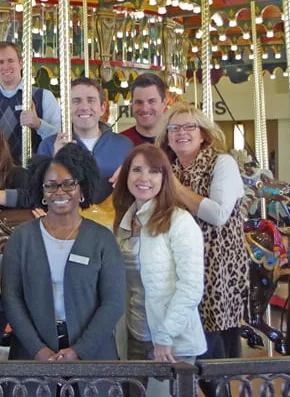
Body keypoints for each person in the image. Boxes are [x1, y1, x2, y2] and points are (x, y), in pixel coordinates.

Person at [1, 144, 125, 362]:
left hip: (93, 357)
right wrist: (37, 350)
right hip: (31, 357)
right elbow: (11, 298)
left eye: (69, 184)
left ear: (82, 188)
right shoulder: (21, 237)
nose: (59, 192)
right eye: (50, 185)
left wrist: (80, 350)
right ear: (41, 191)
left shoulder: (102, 239)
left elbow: (113, 302)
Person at [158, 102, 247, 379]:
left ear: (203, 134)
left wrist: (175, 187)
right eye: (174, 128)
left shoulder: (222, 163)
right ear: (167, 136)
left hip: (216, 266)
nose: (181, 133)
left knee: (213, 348)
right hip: (182, 264)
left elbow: (217, 214)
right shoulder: (169, 167)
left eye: (189, 127)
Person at [110, 144, 206, 397]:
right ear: (126, 175)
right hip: (133, 335)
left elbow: (191, 287)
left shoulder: (179, 221)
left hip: (170, 340)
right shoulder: (123, 222)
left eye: (153, 171)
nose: (144, 178)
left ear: (165, 178)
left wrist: (165, 335)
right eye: (137, 170)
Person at [37, 77, 133, 203]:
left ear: (102, 107)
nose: (84, 107)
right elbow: (38, 192)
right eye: (76, 101)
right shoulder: (49, 146)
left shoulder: (124, 146)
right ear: (66, 108)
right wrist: (56, 162)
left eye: (91, 100)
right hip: (68, 213)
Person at [0, 42, 61, 162]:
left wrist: (39, 124)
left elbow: (60, 138)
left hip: (36, 169)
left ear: (21, 63)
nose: (6, 66)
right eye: (0, 62)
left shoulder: (44, 97)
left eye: (10, 60)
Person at [121, 73, 167, 145]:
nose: (145, 109)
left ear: (164, 103)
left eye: (151, 101)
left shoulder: (175, 141)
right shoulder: (119, 143)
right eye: (139, 102)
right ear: (131, 104)